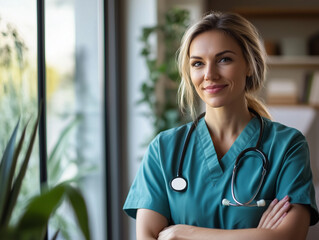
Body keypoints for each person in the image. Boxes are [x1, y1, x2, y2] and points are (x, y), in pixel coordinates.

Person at [123, 11, 319, 239]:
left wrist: (187, 233)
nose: (209, 74)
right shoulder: (164, 149)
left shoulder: (287, 146)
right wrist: (259, 234)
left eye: (224, 59)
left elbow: (290, 236)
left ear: (249, 65)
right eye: (198, 63)